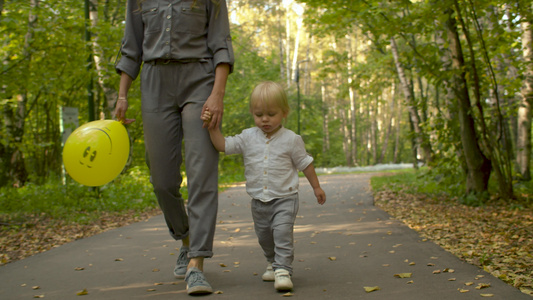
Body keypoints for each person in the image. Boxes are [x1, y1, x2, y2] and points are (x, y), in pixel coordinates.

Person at [114, 0, 234, 295]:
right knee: (162, 180)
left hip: (199, 80)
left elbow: (221, 44)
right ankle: (185, 237)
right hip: (155, 82)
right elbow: (132, 47)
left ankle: (197, 262)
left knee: (201, 172)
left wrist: (217, 94)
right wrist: (122, 95)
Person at [201, 81, 326, 291]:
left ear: (284, 113)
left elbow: (306, 163)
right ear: (252, 113)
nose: (265, 119)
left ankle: (283, 270)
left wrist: (316, 187)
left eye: (271, 113)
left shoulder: (292, 140)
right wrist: (213, 128)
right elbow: (224, 145)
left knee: (282, 233)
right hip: (259, 201)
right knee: (264, 237)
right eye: (259, 114)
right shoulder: (248, 137)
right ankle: (272, 262)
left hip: (285, 198)